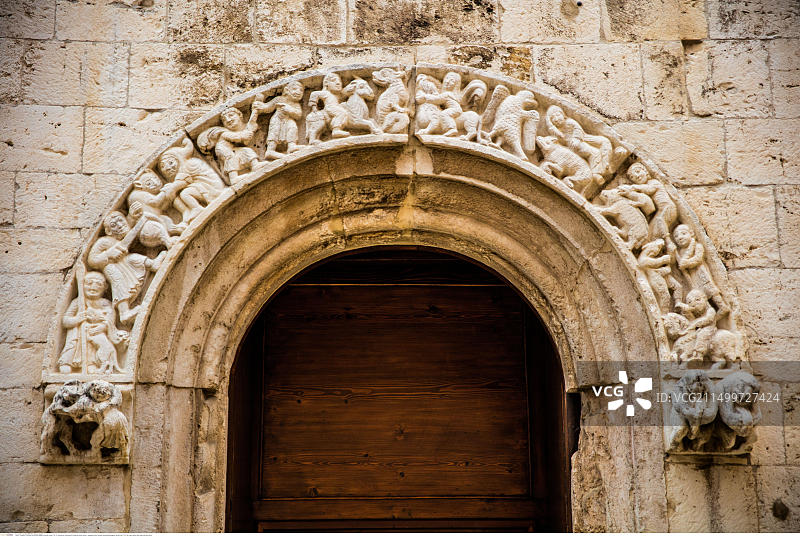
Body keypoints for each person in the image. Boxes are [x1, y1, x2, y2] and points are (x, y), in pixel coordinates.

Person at [87, 211, 164, 325]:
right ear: (108, 231)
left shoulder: (119, 240)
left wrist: (138, 218)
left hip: (126, 265)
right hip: (111, 268)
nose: (118, 225)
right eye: (114, 225)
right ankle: (124, 313)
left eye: (121, 221)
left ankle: (153, 264)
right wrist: (108, 254)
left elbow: (129, 236)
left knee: (135, 258)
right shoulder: (103, 241)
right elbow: (92, 260)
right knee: (118, 280)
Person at [58, 271, 128, 373]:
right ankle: (66, 361)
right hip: (78, 333)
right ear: (82, 286)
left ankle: (91, 364)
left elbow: (110, 319)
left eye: (98, 284)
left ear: (105, 288)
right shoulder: (78, 302)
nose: (93, 287)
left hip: (95, 331)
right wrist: (77, 319)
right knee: (73, 340)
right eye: (89, 283)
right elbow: (65, 320)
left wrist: (101, 327)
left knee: (98, 342)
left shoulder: (105, 303)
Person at [259, 81, 305, 159]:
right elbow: (268, 108)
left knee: (293, 127)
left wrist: (289, 109)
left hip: (288, 120)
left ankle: (292, 145)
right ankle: (270, 151)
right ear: (287, 90)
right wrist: (260, 106)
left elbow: (298, 115)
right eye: (294, 89)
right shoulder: (279, 99)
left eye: (301, 90)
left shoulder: (296, 104)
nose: (298, 92)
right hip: (277, 120)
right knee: (274, 132)